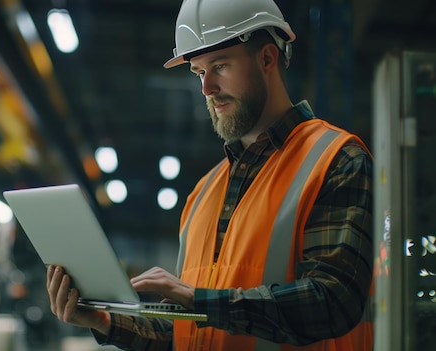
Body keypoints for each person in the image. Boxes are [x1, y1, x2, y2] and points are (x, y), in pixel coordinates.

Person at [47, 0, 374, 350]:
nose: (207, 88)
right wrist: (107, 322)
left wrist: (198, 300)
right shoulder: (203, 192)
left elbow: (333, 303)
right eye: (200, 72)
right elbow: (190, 331)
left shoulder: (336, 160)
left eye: (220, 66)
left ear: (267, 58)